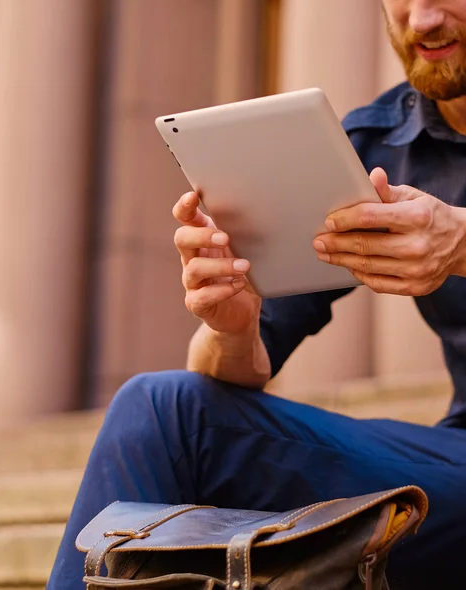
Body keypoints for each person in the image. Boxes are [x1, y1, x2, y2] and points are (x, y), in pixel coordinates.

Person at [47, 1, 466, 588]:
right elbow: (227, 369)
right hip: (455, 467)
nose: (422, 20)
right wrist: (232, 324)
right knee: (165, 412)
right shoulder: (377, 144)